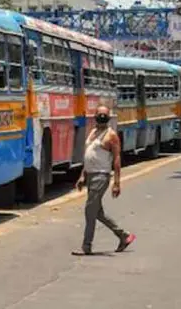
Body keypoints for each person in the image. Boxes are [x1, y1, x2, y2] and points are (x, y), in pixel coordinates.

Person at [72, 106, 136, 256]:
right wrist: (83, 175)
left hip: (101, 176)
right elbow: (89, 155)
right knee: (97, 213)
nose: (101, 117)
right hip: (91, 176)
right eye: (99, 115)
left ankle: (86, 246)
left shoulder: (111, 135)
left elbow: (117, 159)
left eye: (104, 115)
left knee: (89, 210)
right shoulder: (93, 132)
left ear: (108, 117)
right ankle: (124, 236)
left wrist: (117, 183)